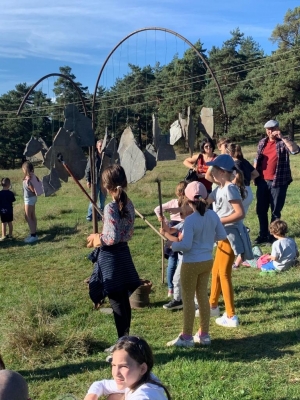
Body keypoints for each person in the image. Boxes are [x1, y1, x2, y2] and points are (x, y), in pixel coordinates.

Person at [165, 181, 227, 347]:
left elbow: (186, 245)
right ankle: (204, 335)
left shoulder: (191, 220)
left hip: (191, 263)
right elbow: (221, 235)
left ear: (188, 200)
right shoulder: (213, 215)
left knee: (188, 300)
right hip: (207, 261)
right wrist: (206, 242)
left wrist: (172, 245)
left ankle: (186, 337)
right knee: (202, 298)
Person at [87, 165, 140, 349]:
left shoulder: (111, 207)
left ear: (105, 186)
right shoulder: (129, 203)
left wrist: (97, 238)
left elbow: (112, 237)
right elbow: (127, 233)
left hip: (111, 258)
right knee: (123, 301)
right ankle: (126, 339)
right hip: (124, 254)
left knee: (117, 301)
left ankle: (123, 344)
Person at [206, 155, 252, 328]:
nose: (211, 172)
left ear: (222, 172)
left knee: (224, 274)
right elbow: (205, 200)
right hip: (221, 235)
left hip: (230, 235)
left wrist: (218, 220)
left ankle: (231, 315)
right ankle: (212, 306)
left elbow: (240, 213)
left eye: (214, 169)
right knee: (216, 271)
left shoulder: (230, 189)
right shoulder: (218, 189)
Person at [254, 120, 299, 244]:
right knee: (261, 209)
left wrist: (282, 137)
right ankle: (262, 234)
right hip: (262, 181)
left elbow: (295, 150)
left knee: (275, 211)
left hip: (278, 182)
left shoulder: (282, 142)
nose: (270, 131)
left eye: (273, 128)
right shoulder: (262, 142)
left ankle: (273, 236)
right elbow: (257, 159)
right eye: (268, 129)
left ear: (278, 128)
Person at [84, 336, 171, 400]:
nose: (115, 373)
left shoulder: (144, 396)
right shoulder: (142, 378)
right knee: (115, 397)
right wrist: (91, 397)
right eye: (113, 365)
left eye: (123, 366)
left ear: (142, 369)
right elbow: (101, 385)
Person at [154, 181, 187, 297]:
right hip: (173, 228)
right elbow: (157, 209)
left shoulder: (188, 204)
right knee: (174, 261)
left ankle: (175, 287)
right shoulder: (174, 203)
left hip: (180, 229)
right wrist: (162, 220)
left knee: (177, 261)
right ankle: (171, 288)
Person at [159, 204, 193, 311]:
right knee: (180, 279)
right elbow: (169, 230)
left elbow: (179, 240)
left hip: (188, 257)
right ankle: (180, 299)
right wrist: (163, 220)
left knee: (179, 279)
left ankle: (180, 300)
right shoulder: (183, 223)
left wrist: (166, 235)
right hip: (182, 257)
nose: (180, 213)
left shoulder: (188, 225)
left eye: (183, 212)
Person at [86, 139, 107, 221]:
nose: (101, 148)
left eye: (102, 146)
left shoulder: (106, 156)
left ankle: (100, 215)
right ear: (97, 146)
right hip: (95, 181)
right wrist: (88, 180)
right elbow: (88, 169)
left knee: (102, 200)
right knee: (93, 200)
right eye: (100, 146)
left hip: (104, 181)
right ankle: (89, 216)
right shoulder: (93, 156)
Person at [22, 161, 38, 243]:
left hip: (29, 198)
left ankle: (33, 235)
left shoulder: (28, 178)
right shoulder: (33, 176)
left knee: (28, 217)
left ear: (25, 169)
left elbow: (32, 189)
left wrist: (28, 184)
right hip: (32, 198)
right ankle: (34, 232)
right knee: (32, 216)